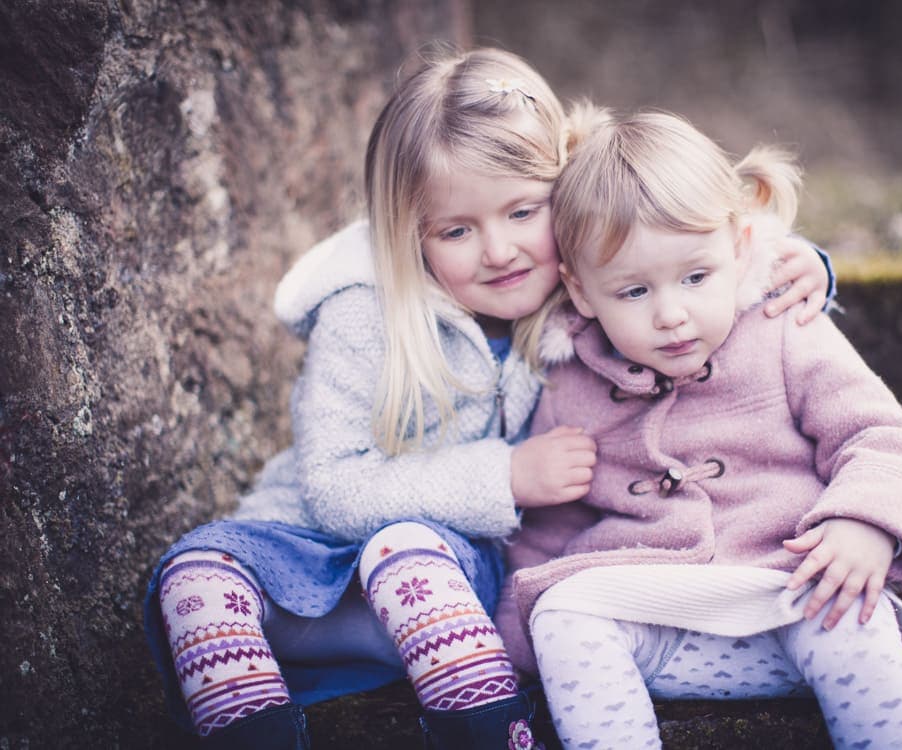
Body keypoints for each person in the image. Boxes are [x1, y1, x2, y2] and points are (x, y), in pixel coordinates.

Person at [142, 49, 836, 749]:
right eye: (456, 230)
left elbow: (680, 247)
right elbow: (330, 486)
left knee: (405, 552)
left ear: (561, 195)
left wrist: (789, 262)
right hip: (304, 554)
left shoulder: (585, 290)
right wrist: (503, 475)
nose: (498, 250)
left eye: (522, 210)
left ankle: (486, 728)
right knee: (191, 579)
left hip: (438, 579)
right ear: (407, 234)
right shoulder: (363, 312)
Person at [497, 111, 902, 750]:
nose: (671, 315)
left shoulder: (785, 328)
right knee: (562, 610)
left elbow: (881, 435)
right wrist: (524, 636)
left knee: (850, 608)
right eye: (632, 292)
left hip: (789, 597)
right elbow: (550, 531)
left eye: (695, 278)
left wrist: (865, 523)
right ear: (582, 292)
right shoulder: (572, 383)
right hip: (659, 628)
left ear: (738, 246)